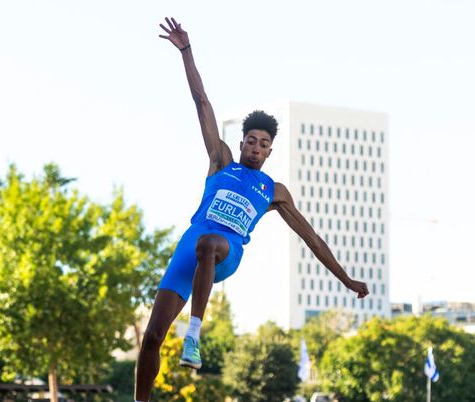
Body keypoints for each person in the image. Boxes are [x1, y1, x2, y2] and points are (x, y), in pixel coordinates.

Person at [134, 17, 369, 402]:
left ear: (270, 151)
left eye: (263, 144)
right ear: (241, 143)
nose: (256, 148)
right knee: (151, 339)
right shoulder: (221, 162)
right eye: (251, 141)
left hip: (225, 250)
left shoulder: (274, 191)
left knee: (210, 242)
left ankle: (193, 333)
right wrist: (186, 52)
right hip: (188, 248)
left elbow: (313, 239)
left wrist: (346, 280)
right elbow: (202, 103)